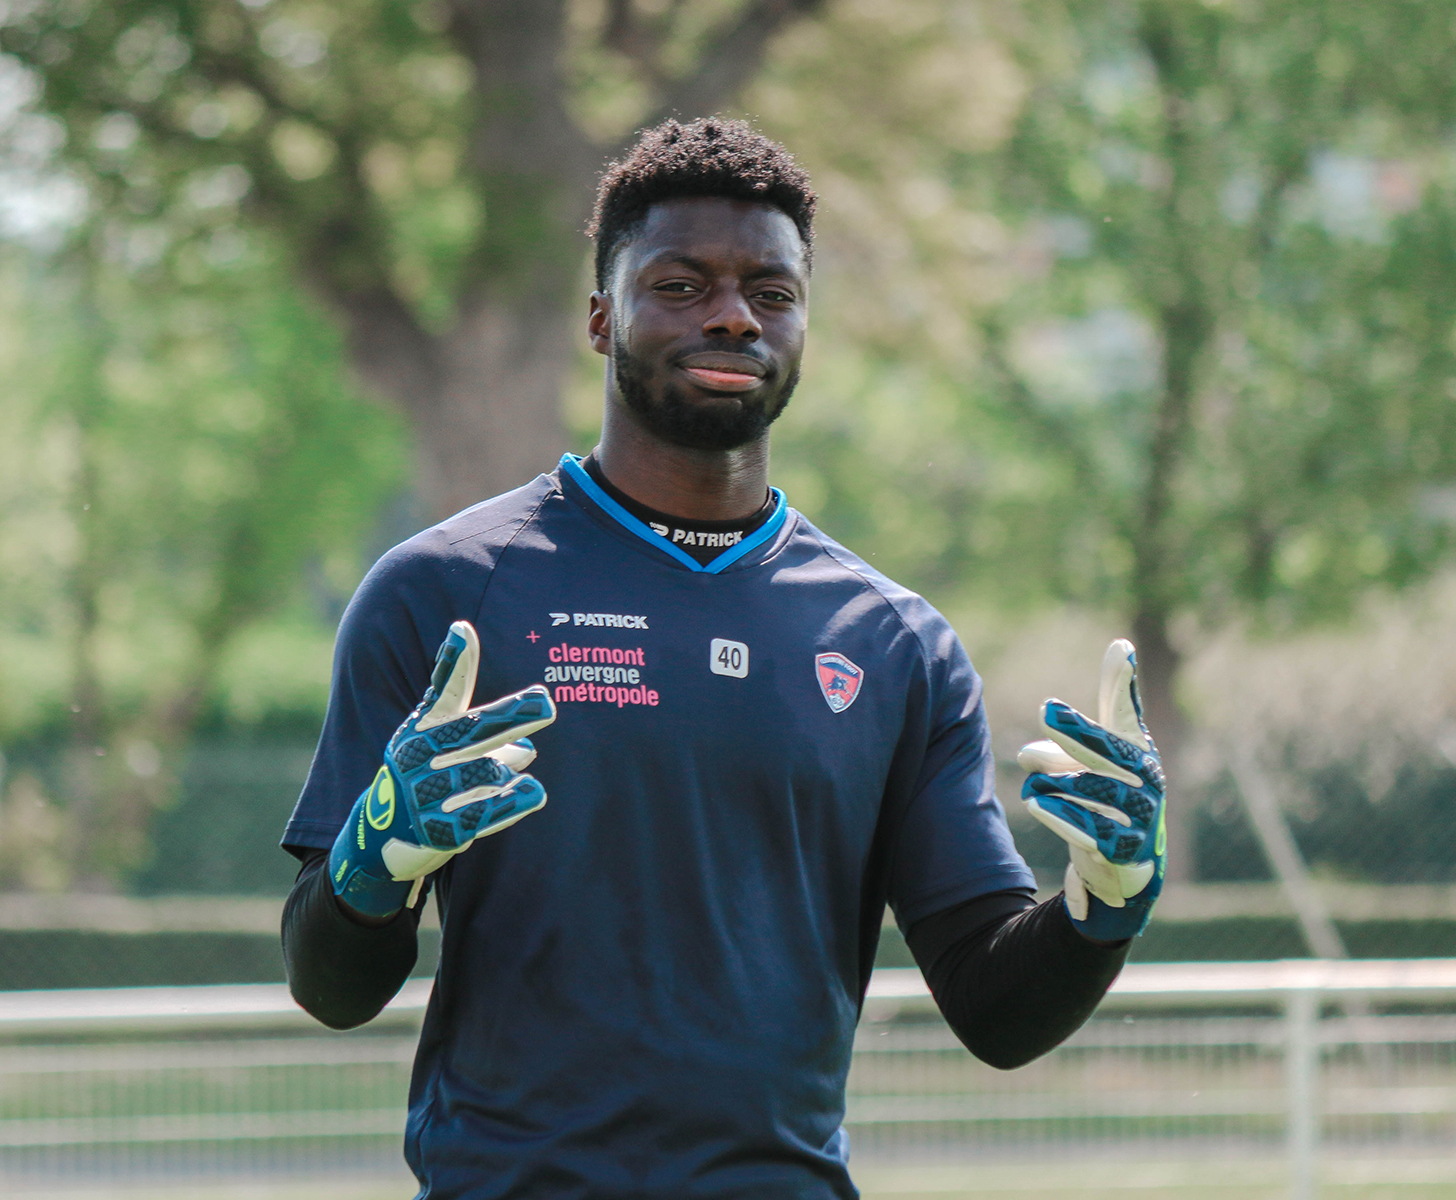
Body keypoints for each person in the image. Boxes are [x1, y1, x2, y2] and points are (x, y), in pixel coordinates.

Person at [281, 117, 1166, 1200]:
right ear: (602, 318)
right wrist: (378, 853)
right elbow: (330, 988)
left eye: (771, 292)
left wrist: (1102, 906)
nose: (734, 314)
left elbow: (995, 1013)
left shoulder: (893, 644)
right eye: (681, 284)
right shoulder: (444, 593)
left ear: (802, 325)